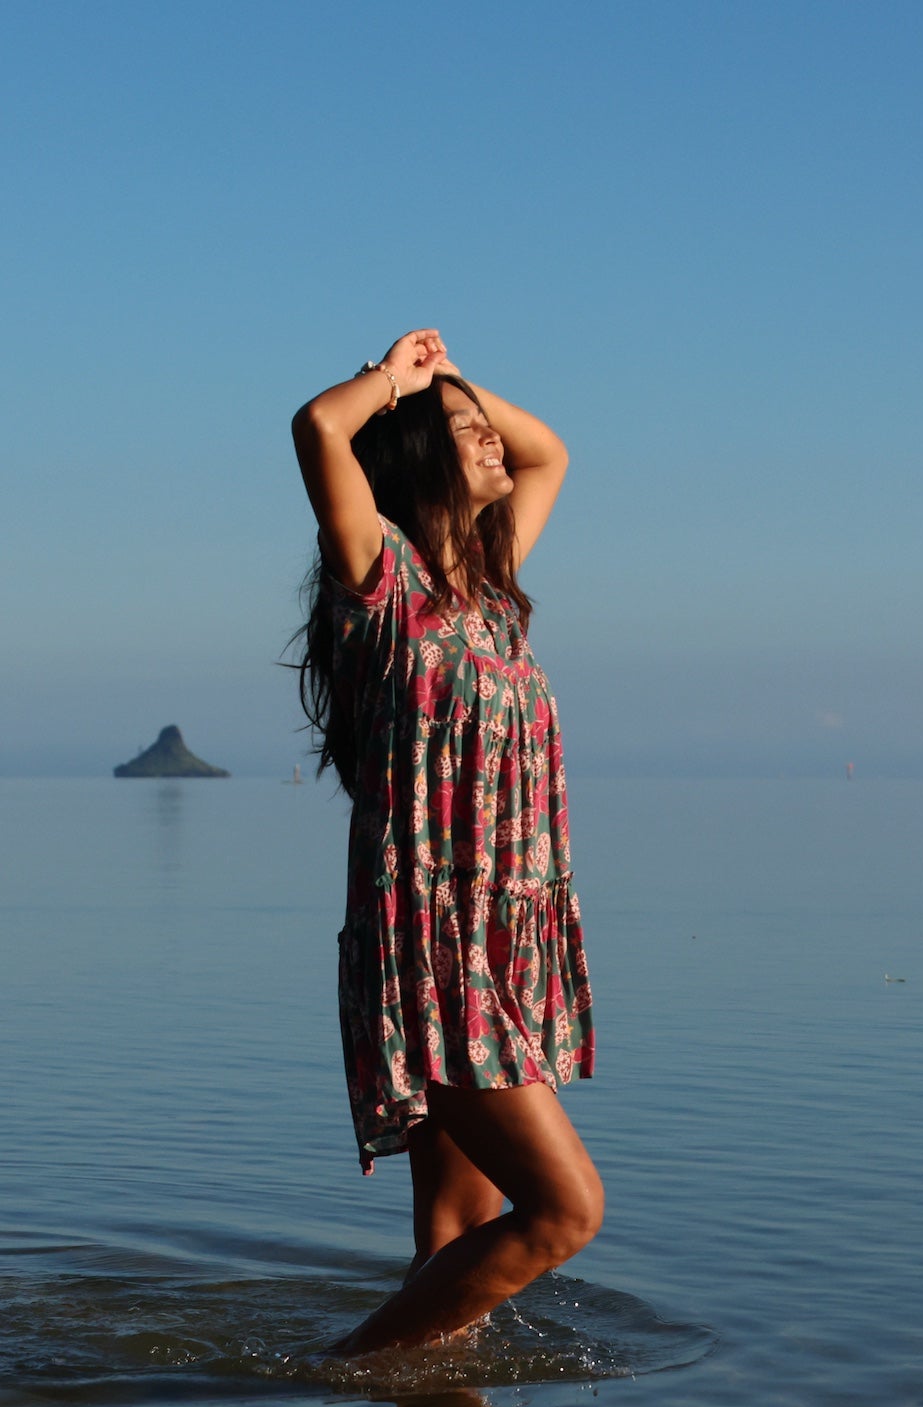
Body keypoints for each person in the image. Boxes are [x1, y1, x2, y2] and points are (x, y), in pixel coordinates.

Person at [290, 329, 601, 1354]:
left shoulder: (498, 598)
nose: (493, 445)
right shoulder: (385, 584)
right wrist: (402, 384)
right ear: (421, 455)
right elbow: (318, 427)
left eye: (486, 430)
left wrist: (462, 385)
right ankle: (344, 1373)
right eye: (468, 435)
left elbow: (549, 449)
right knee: (566, 1211)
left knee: (456, 1233)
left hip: (502, 942)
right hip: (431, 946)